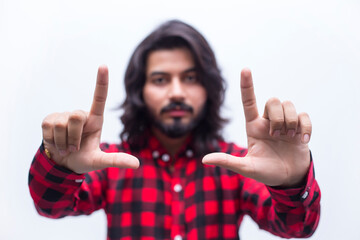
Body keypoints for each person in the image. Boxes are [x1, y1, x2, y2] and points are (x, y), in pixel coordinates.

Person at [28, 20, 321, 240]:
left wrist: (292, 182)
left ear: (208, 88)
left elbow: (298, 226)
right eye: (160, 80)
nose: (177, 92)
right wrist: (59, 165)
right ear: (139, 91)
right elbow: (50, 207)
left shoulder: (238, 164)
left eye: (191, 78)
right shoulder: (110, 162)